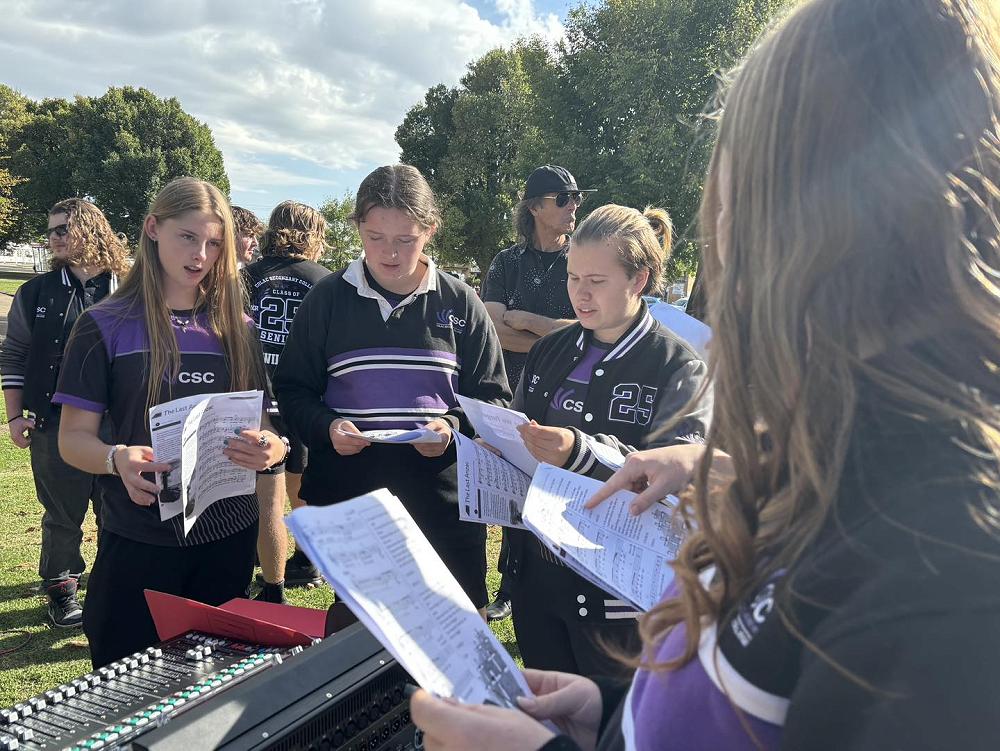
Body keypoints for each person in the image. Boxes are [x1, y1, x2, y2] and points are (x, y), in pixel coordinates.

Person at [409, 0, 1000, 748]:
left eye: (732, 220)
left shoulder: (949, 567)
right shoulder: (819, 459)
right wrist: (609, 716)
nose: (720, 274)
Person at [54, 177, 288, 668]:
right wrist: (116, 458)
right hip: (138, 537)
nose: (200, 255)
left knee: (214, 686)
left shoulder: (238, 328)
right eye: (187, 236)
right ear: (153, 228)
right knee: (127, 688)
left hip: (228, 536)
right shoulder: (103, 324)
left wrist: (273, 447)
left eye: (214, 243)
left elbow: (264, 424)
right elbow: (72, 440)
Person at [273, 164, 510, 616]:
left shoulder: (461, 302)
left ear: (430, 230)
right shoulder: (326, 299)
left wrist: (451, 428)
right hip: (352, 502)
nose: (390, 252)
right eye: (375, 236)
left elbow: (493, 397)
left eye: (406, 239)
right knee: (361, 639)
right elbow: (293, 389)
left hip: (445, 505)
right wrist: (327, 428)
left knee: (455, 635)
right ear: (358, 227)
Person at [501, 204, 711, 680]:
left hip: (617, 596)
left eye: (596, 281)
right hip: (538, 579)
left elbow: (675, 479)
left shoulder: (678, 366)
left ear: (638, 280)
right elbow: (517, 429)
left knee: (611, 715)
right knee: (551, 709)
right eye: (573, 278)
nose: (580, 293)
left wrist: (580, 455)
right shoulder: (549, 350)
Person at [0, 198, 129, 628]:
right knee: (61, 513)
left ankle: (116, 582)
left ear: (90, 229)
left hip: (119, 423)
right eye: (50, 230)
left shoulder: (130, 286)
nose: (52, 238)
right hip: (53, 423)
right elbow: (14, 355)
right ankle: (61, 588)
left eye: (62, 229)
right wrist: (14, 417)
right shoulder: (35, 292)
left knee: (119, 508)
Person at [481, 164, 591, 621]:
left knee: (563, 489)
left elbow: (589, 327)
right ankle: (511, 584)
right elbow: (492, 326)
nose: (574, 206)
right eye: (564, 198)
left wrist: (527, 320)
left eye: (577, 197)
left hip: (570, 394)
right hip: (515, 391)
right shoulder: (507, 262)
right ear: (534, 207)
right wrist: (556, 333)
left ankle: (568, 580)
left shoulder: (582, 260)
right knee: (516, 489)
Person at [244, 201, 332, 601]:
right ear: (314, 236)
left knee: (261, 490)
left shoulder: (246, 276)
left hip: (252, 395)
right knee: (300, 481)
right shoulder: (325, 280)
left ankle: (268, 571)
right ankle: (307, 558)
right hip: (304, 396)